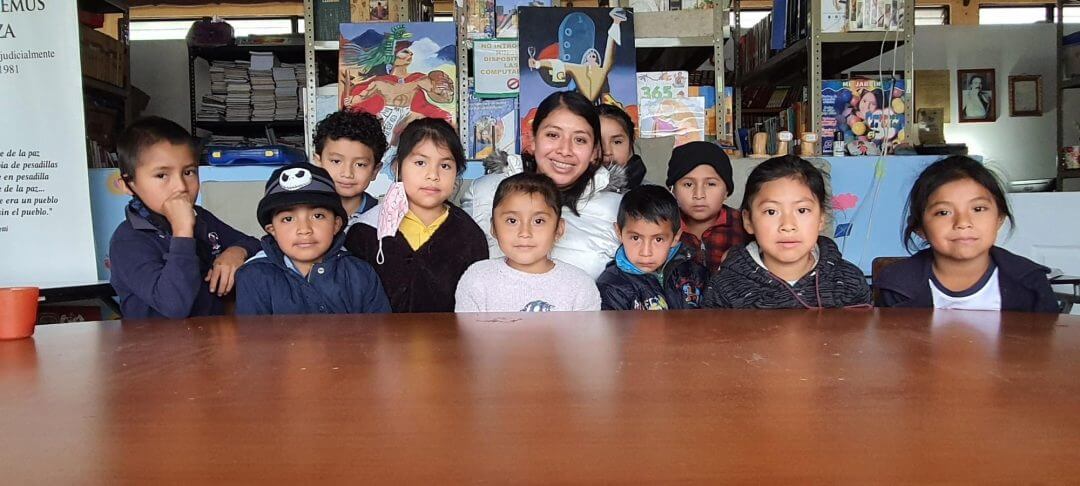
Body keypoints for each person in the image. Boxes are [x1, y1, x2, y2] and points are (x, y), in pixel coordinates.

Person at [109, 116, 260, 319]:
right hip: (156, 347)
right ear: (127, 185)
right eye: (162, 175)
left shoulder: (202, 218)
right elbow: (174, 306)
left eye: (189, 172)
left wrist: (237, 251)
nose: (180, 187)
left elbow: (256, 244)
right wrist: (182, 232)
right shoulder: (128, 240)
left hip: (211, 341)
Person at [462, 90, 623, 279]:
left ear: (595, 151)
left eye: (580, 140)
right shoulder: (485, 193)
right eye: (553, 135)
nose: (565, 150)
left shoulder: (617, 210)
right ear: (532, 139)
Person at [876, 156, 1057, 312]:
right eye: (943, 212)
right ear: (920, 229)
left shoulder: (1030, 283)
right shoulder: (896, 286)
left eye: (978, 209)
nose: (963, 223)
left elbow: (1048, 347)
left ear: (999, 219)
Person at [346, 118, 489, 313]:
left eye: (445, 166)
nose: (433, 175)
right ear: (397, 168)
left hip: (450, 342)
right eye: (420, 162)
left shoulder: (469, 235)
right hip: (381, 341)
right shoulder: (367, 231)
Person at [703, 155, 871, 309]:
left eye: (802, 210)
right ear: (748, 221)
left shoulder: (849, 282)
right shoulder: (725, 287)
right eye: (771, 212)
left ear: (821, 219)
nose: (788, 225)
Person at [235, 163, 390, 315]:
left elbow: (380, 334)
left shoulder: (360, 273)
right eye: (288, 219)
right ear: (272, 230)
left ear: (336, 225)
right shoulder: (254, 276)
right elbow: (253, 338)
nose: (304, 229)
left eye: (318, 216)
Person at [455, 173, 601, 312]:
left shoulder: (580, 286)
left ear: (559, 229)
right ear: (493, 227)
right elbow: (469, 337)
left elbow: (586, 337)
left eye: (538, 221)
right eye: (512, 221)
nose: (525, 233)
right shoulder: (477, 279)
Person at [596, 185, 709, 310]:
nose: (646, 252)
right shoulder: (613, 287)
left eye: (658, 239)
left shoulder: (694, 273)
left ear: (676, 237)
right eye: (635, 238)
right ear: (619, 233)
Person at [667, 141, 749, 274]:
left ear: (727, 190)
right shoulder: (663, 227)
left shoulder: (745, 227)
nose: (699, 195)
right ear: (673, 190)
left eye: (710, 184)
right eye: (688, 184)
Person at [311, 111, 388, 230]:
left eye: (360, 164)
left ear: (375, 170)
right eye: (336, 161)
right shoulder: (303, 213)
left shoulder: (385, 218)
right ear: (318, 162)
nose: (347, 173)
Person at [596, 103, 645, 191]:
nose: (607, 151)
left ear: (631, 142)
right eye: (597, 142)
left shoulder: (650, 196)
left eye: (617, 142)